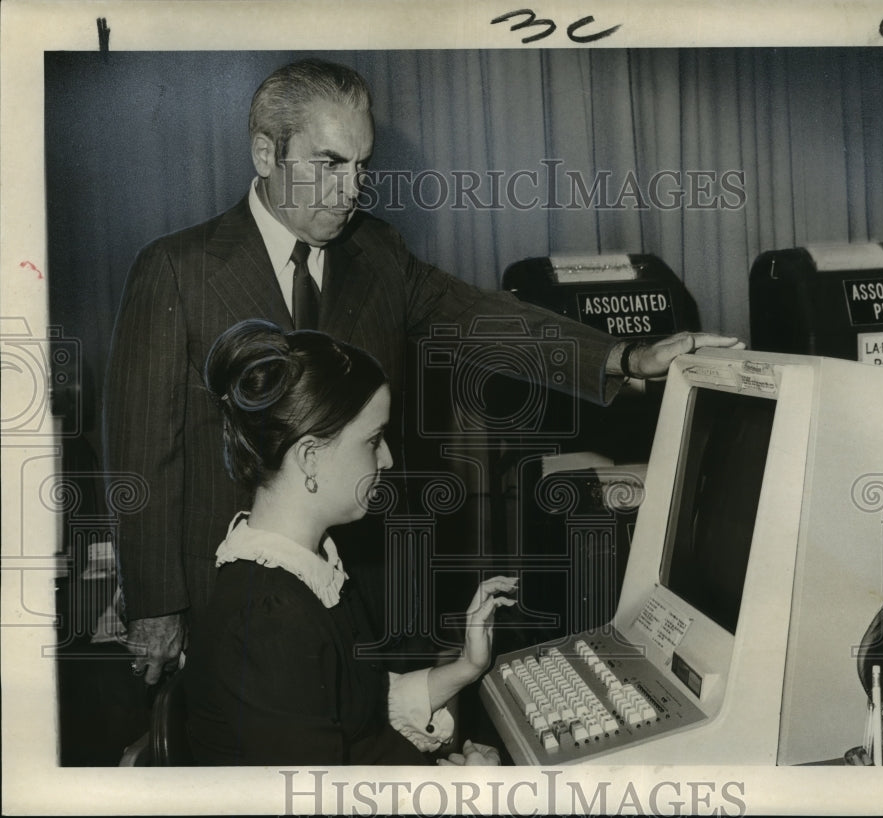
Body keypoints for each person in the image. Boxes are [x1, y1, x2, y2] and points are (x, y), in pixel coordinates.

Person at [104, 57, 741, 685]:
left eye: (361, 167)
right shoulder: (177, 271)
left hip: (365, 595)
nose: (351, 190)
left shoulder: (375, 251)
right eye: (329, 164)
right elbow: (142, 450)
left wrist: (624, 357)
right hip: (228, 599)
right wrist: (159, 603)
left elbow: (478, 315)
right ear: (266, 154)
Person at [184, 319, 514, 765]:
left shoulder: (310, 568)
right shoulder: (268, 620)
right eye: (373, 441)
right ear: (310, 458)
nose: (388, 459)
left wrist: (466, 668)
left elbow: (358, 709)